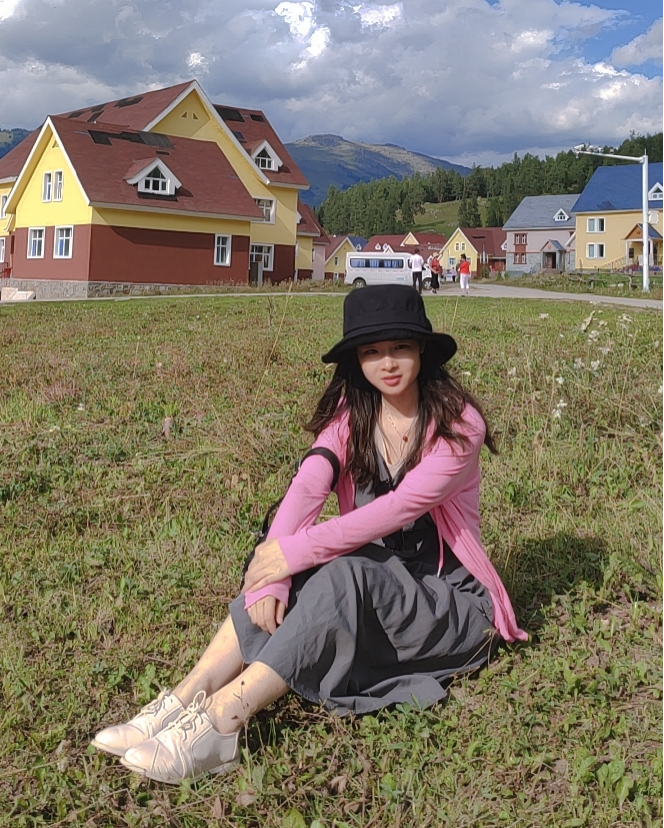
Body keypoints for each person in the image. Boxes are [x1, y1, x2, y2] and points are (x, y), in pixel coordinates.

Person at [91, 285, 527, 784]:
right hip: (377, 585)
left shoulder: (458, 424)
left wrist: (292, 553)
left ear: (422, 349)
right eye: (371, 351)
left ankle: (223, 721)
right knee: (312, 566)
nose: (387, 363)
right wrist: (274, 576)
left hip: (450, 604)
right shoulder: (351, 416)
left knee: (338, 570)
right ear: (355, 359)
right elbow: (307, 487)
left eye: (400, 347)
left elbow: (399, 508)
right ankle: (185, 698)